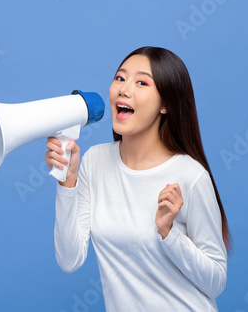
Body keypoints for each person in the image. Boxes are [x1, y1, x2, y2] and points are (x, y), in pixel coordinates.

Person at [45, 46, 231, 311]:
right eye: (120, 78)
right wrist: (67, 181)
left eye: (141, 82)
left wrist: (169, 234)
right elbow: (69, 259)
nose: (124, 89)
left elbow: (216, 282)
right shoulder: (94, 162)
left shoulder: (190, 175)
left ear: (165, 104)